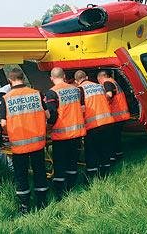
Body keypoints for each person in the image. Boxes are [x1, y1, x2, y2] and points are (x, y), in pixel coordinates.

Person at [0, 68, 50, 214]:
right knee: (40, 172)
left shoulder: (6, 98)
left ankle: (25, 206)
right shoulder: (36, 94)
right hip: (38, 143)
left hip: (19, 145)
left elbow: (3, 124)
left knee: (21, 175)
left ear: (10, 80)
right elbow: (47, 114)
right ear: (23, 78)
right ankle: (42, 203)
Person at [44, 67, 86, 199]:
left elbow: (52, 115)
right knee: (72, 162)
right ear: (65, 76)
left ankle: (60, 193)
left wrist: (48, 128)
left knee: (60, 165)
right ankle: (72, 187)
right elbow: (82, 108)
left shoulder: (52, 93)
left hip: (61, 135)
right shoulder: (76, 89)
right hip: (76, 133)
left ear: (51, 78)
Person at [74, 70, 114, 180]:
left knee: (91, 150)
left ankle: (92, 176)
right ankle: (105, 173)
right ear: (86, 77)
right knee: (104, 148)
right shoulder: (99, 86)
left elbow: (82, 109)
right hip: (107, 121)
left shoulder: (80, 89)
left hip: (92, 124)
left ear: (77, 81)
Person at [97, 70, 130, 162]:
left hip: (116, 116)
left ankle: (112, 156)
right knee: (117, 136)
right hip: (122, 114)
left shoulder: (107, 82)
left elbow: (109, 94)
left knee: (111, 137)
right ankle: (118, 154)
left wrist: (102, 101)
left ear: (101, 77)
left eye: (99, 80)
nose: (99, 82)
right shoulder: (113, 81)